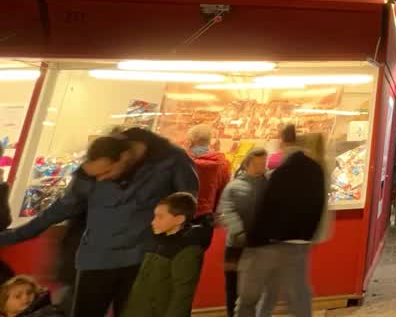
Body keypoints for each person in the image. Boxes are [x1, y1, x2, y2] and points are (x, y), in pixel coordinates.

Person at [0, 129, 198, 317]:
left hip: (142, 261)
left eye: (107, 172)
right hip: (95, 261)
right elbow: (59, 209)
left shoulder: (171, 161)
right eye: (95, 176)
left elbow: (187, 207)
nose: (101, 180)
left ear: (125, 157)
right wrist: (10, 237)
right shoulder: (92, 169)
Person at [235, 132, 328, 317]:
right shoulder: (317, 170)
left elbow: (267, 208)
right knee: (297, 296)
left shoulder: (282, 172)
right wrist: (307, 235)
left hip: (268, 243)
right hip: (299, 244)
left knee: (248, 296)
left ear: (284, 145)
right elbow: (317, 206)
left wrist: (251, 240)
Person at [120, 192, 205, 317]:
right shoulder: (155, 241)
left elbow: (182, 296)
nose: (153, 222)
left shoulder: (188, 251)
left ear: (179, 219)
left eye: (160, 217)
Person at [218, 148, 268, 317]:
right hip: (236, 246)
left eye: (264, 163)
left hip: (260, 246)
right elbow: (226, 211)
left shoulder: (269, 184)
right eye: (258, 163)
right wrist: (240, 233)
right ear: (247, 164)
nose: (262, 167)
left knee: (257, 288)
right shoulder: (233, 187)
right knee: (233, 287)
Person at [186, 125, 231, 227]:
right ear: (209, 141)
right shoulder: (222, 163)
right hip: (206, 215)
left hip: (179, 212)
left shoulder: (181, 160)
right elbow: (223, 190)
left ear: (191, 141)